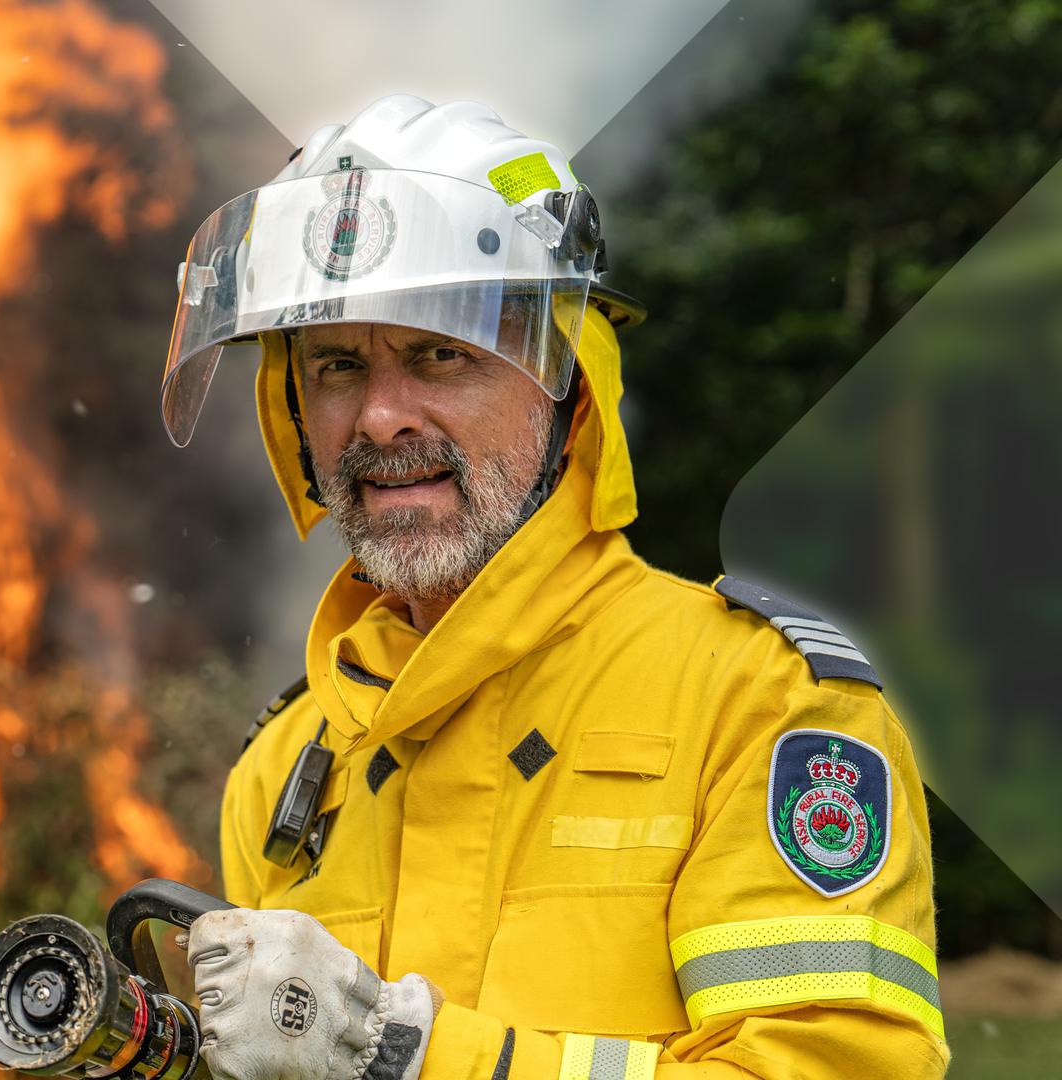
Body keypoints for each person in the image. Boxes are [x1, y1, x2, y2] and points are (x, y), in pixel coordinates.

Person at [161, 95, 947, 1080]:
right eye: (335, 365)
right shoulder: (285, 766)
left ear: (571, 383)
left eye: (437, 352)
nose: (382, 417)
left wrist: (410, 1055)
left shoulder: (761, 704)